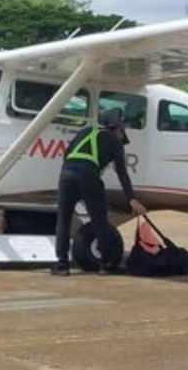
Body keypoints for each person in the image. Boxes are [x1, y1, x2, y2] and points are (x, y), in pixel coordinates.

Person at [52, 107, 146, 276]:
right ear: (116, 128)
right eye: (122, 128)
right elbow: (122, 172)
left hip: (66, 175)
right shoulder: (115, 142)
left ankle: (62, 265)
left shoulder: (85, 131)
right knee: (99, 221)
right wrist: (131, 199)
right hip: (88, 175)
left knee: (63, 220)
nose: (123, 133)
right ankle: (106, 264)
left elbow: (67, 154)